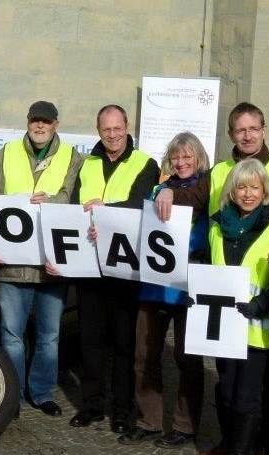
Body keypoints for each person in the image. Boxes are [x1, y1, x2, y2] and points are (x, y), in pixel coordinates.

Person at [158, 102, 269, 455]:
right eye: (240, 130)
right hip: (225, 311)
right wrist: (162, 191)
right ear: (230, 135)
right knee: (229, 387)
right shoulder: (221, 175)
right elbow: (190, 198)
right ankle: (233, 445)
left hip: (263, 311)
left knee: (267, 387)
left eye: (252, 128)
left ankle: (264, 447)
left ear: (263, 129)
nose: (247, 135)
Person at [0, 100, 83, 416]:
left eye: (46, 122)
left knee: (49, 338)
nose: (40, 127)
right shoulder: (5, 155)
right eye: (35, 121)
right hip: (13, 265)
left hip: (51, 265)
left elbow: (75, 201)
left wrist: (51, 201)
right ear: (28, 123)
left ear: (55, 125)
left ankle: (41, 393)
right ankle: (12, 395)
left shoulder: (73, 159)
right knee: (11, 336)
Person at [67, 105, 160, 431]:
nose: (112, 135)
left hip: (124, 266)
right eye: (106, 129)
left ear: (127, 127)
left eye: (117, 128)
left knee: (124, 345)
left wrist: (106, 213)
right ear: (98, 129)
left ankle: (122, 411)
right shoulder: (87, 163)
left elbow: (141, 205)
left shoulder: (145, 163)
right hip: (90, 264)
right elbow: (74, 205)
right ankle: (92, 405)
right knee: (89, 342)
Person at [199, 159, 269, 455]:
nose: (248, 193)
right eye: (242, 187)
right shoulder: (217, 226)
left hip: (258, 330)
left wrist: (261, 304)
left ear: (265, 190)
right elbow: (209, 268)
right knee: (225, 392)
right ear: (232, 190)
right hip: (224, 327)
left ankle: (242, 453)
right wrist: (197, 295)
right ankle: (229, 445)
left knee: (247, 398)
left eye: (255, 187)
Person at [119, 132, 209, 448]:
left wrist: (169, 191)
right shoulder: (157, 189)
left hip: (189, 286)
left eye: (188, 157)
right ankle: (149, 419)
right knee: (145, 356)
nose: (181, 162)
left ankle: (185, 424)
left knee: (188, 358)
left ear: (199, 159)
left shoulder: (207, 190)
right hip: (154, 285)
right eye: (176, 157)